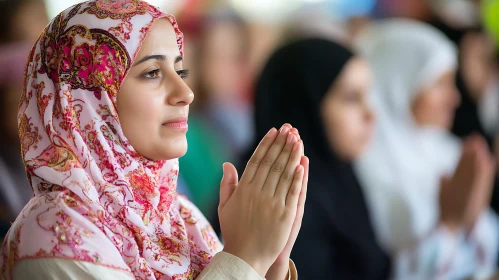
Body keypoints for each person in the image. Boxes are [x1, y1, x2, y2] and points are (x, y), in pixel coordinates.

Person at [0, 1, 309, 279]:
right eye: (151, 73)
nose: (185, 93)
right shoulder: (54, 235)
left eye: (180, 70)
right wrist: (245, 257)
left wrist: (272, 260)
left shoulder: (179, 216)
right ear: (84, 97)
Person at [355, 19, 499, 279]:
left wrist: (473, 215)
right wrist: (450, 225)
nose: (454, 98)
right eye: (439, 84)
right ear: (399, 83)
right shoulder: (367, 164)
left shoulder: (447, 150)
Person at [243, 37, 391, 279]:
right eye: (352, 98)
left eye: (367, 95)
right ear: (305, 105)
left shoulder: (339, 176)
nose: (370, 113)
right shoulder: (271, 196)